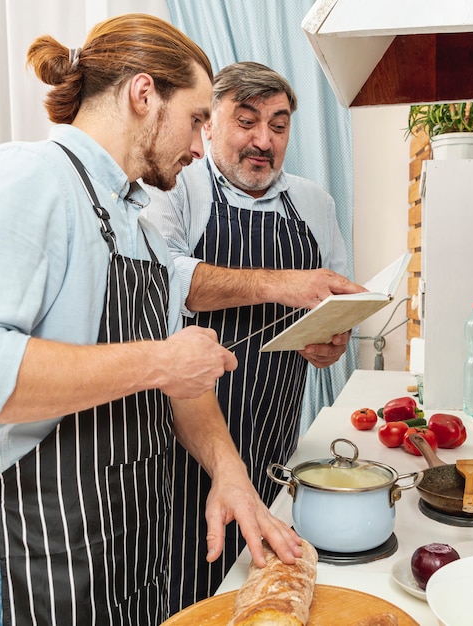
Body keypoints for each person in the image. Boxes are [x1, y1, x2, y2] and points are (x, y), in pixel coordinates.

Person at [0, 22, 302, 626]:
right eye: (199, 118)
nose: (202, 146)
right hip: (32, 566)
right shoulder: (28, 176)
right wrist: (161, 361)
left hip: (125, 568)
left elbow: (183, 388)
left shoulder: (139, 224)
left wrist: (231, 475)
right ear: (144, 94)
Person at [142, 61, 366, 612]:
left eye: (279, 124)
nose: (263, 140)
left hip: (276, 432)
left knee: (266, 585)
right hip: (183, 445)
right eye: (246, 121)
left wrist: (329, 341)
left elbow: (334, 303)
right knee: (196, 589)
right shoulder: (177, 187)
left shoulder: (314, 203)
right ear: (209, 124)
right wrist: (284, 285)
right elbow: (172, 283)